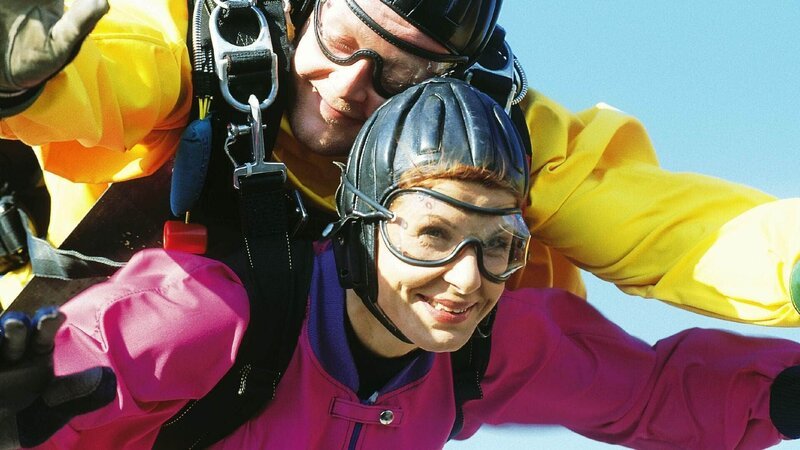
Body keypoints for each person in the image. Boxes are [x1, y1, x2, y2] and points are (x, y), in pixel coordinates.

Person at [28, 78, 800, 450]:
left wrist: (788, 398)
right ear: (359, 225)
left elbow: (654, 393)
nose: (468, 281)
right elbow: (85, 363)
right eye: (432, 236)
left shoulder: (490, 352)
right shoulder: (207, 314)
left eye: (500, 246)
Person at [0, 0, 798, 328]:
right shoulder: (202, 49)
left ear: (453, 80)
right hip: (54, 369)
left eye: (398, 74)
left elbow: (667, 226)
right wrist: (24, 78)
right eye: (340, 45)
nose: (347, 89)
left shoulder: (493, 142)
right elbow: (113, 70)